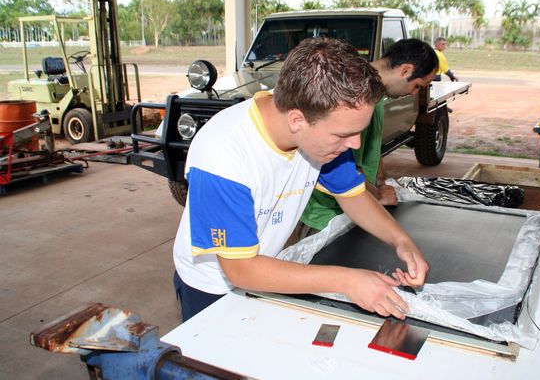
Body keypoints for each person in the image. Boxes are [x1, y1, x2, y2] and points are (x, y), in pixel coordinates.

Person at [173, 37, 430, 322]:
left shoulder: (322, 133)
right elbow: (241, 269)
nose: (355, 145)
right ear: (297, 120)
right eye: (344, 134)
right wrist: (348, 281)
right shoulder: (222, 157)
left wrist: (401, 241)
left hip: (266, 268)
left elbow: (353, 195)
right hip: (213, 288)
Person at [298, 39, 439, 236]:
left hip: (361, 203)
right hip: (328, 218)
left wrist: (380, 181)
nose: (414, 93)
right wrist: (378, 194)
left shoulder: (374, 95)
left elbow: (372, 146)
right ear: (405, 70)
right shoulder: (354, 96)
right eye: (417, 86)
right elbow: (340, 163)